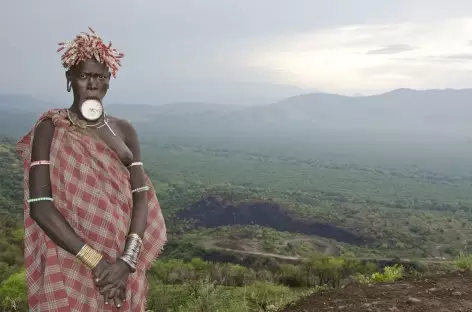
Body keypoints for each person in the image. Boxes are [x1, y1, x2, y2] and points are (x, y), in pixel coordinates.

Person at [16, 27, 167, 311]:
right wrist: (98, 263)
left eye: (99, 76)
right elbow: (39, 204)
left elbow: (140, 195)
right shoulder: (51, 127)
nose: (92, 84)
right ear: (69, 79)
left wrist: (126, 261)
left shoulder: (125, 131)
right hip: (72, 254)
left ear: (109, 80)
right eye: (84, 76)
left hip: (122, 263)